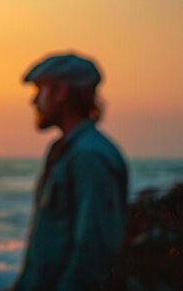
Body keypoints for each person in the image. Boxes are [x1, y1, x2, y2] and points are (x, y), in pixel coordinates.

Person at [8, 52, 128, 291]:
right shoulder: (65, 151)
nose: (34, 102)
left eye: (39, 91)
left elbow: (94, 251)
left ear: (61, 92)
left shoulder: (89, 155)